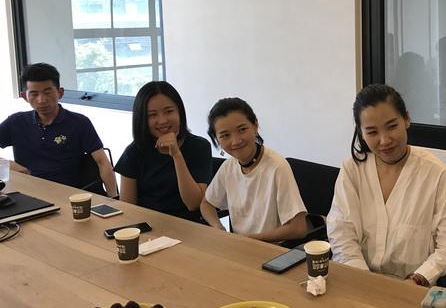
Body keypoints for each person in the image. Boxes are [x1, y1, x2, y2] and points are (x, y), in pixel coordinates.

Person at [327, 84, 446, 286]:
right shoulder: (352, 169)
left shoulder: (435, 173)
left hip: (412, 285)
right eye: (372, 132)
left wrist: (418, 279)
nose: (384, 140)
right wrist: (363, 280)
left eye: (392, 126)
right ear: (361, 132)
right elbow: (341, 232)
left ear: (406, 119)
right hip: (358, 280)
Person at [0, 62, 117, 197]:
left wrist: (114, 198)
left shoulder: (79, 123)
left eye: (47, 92)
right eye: (34, 94)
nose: (41, 100)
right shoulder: (16, 122)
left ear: (60, 93)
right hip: (29, 195)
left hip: (72, 195)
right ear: (25, 96)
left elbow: (102, 162)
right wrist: (6, 164)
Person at [200, 97, 307, 242]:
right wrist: (218, 227)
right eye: (225, 135)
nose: (236, 141)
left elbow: (298, 228)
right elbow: (207, 204)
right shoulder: (228, 167)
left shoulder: (277, 167)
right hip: (241, 246)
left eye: (242, 130)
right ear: (217, 139)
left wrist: (249, 240)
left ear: (255, 126)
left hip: (271, 249)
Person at [115, 81, 211, 221]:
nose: (162, 120)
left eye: (169, 111)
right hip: (148, 227)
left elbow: (194, 204)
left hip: (190, 227)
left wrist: (176, 155)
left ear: (180, 112)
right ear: (142, 119)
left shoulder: (199, 146)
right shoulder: (134, 151)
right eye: (152, 115)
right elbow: (128, 208)